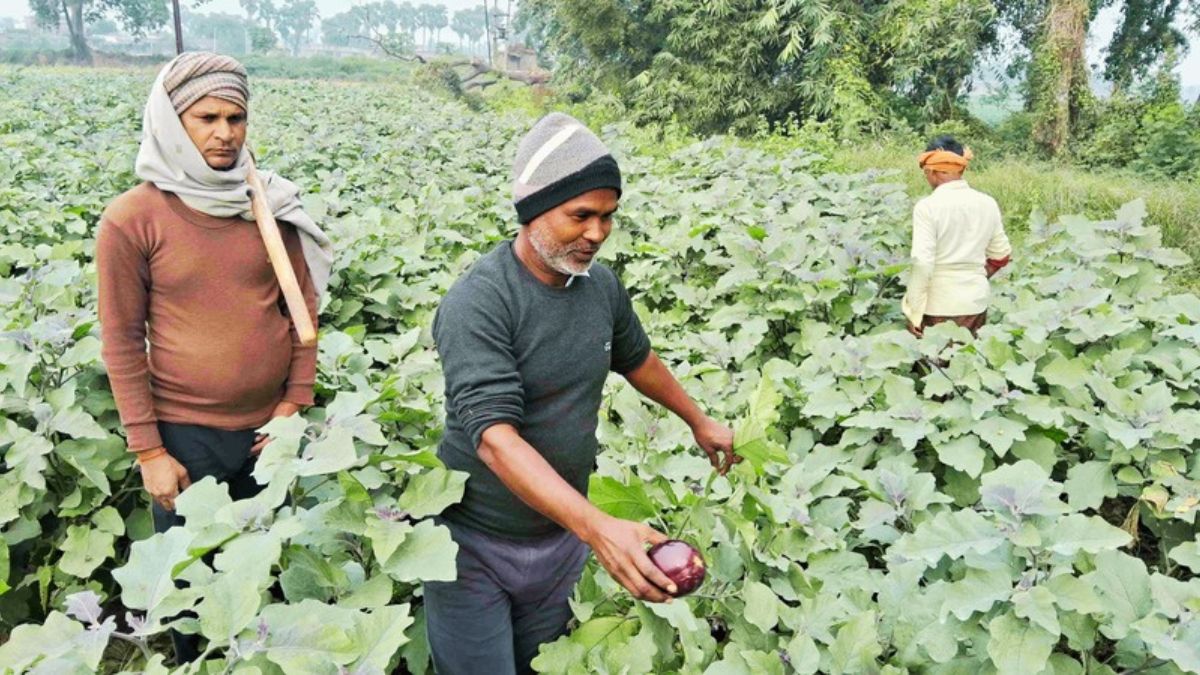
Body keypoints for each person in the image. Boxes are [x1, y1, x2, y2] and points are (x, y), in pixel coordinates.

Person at [427, 112, 737, 675]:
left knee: (541, 664)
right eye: (581, 216)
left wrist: (698, 419)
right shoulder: (480, 302)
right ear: (534, 210)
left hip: (559, 540)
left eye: (608, 217)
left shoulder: (600, 288)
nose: (596, 233)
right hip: (472, 542)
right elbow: (495, 440)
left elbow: (636, 358)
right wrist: (600, 529)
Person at [95, 52, 333, 664]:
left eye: (236, 117)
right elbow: (121, 340)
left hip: (268, 433)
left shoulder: (266, 204)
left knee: (262, 575)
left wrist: (292, 404)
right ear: (173, 124)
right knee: (186, 581)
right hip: (183, 438)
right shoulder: (132, 219)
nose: (224, 132)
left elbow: (301, 311)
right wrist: (149, 451)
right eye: (206, 117)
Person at [902, 135, 1012, 337]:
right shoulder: (987, 203)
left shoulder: (927, 208)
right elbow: (1001, 255)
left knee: (935, 367)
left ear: (932, 171)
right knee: (968, 365)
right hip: (975, 304)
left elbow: (922, 264)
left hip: (938, 307)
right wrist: (975, 276)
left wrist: (914, 312)